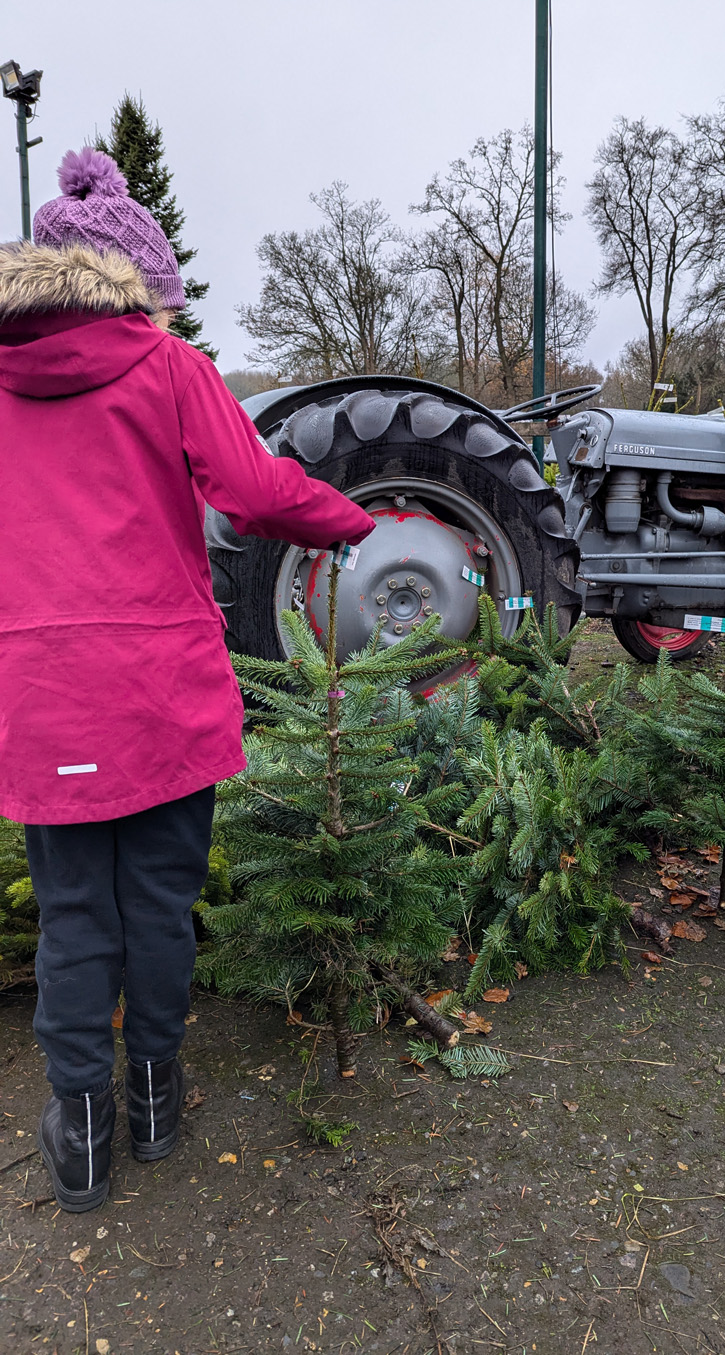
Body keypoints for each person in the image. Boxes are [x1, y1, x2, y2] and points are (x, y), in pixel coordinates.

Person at [0, 147, 376, 1212]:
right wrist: (348, 516)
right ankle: (157, 1104)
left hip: (41, 690)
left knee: (76, 914)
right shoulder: (170, 371)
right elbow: (254, 489)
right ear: (142, 289)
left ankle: (79, 1134)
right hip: (157, 684)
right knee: (159, 903)